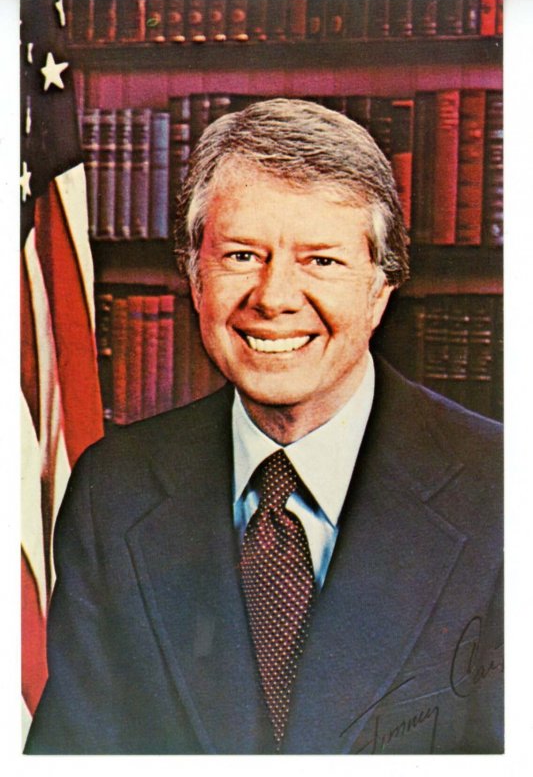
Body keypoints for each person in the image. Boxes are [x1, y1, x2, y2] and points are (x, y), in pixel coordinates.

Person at [25, 99, 503, 755]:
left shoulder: (501, 489)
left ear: (380, 288)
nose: (273, 298)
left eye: (320, 261)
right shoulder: (114, 489)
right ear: (195, 277)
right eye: (243, 255)